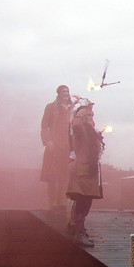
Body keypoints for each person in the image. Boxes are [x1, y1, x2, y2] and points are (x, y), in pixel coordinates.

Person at [66, 100, 105, 247]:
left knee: (85, 202)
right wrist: (80, 110)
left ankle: (80, 230)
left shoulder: (90, 130)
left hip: (89, 170)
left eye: (92, 115)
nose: (91, 117)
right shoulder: (81, 128)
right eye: (88, 115)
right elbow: (75, 125)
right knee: (82, 202)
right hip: (83, 170)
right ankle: (78, 232)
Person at [40, 85, 73, 213]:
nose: (66, 93)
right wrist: (47, 140)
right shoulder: (51, 107)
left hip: (67, 146)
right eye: (63, 91)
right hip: (54, 145)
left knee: (65, 175)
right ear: (59, 93)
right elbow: (44, 126)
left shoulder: (73, 108)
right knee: (52, 175)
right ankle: (53, 203)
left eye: (67, 91)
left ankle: (62, 202)